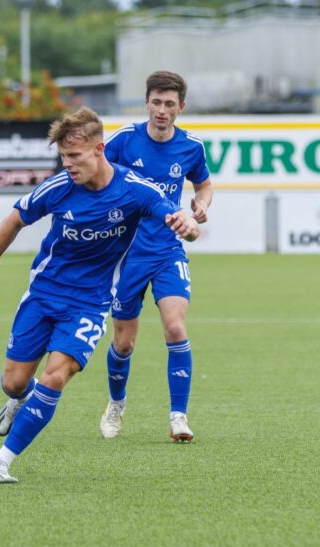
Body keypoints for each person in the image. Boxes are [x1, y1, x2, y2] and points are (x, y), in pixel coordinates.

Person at [0, 107, 199, 483]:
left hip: (90, 304)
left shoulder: (135, 190)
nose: (68, 165)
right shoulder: (59, 188)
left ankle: (1, 460)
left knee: (56, 375)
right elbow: (16, 218)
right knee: (13, 382)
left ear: (99, 150)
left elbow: (171, 215)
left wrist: (188, 226)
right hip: (44, 293)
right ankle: (18, 398)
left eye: (74, 157)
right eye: (63, 157)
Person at [97, 70, 214, 443]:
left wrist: (201, 204)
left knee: (176, 328)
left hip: (167, 249)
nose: (162, 110)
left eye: (169, 104)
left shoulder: (191, 147)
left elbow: (204, 183)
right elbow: (96, 177)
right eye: (156, 102)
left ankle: (179, 416)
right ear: (146, 102)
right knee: (124, 343)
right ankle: (116, 404)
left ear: (181, 107)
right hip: (126, 254)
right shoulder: (123, 142)